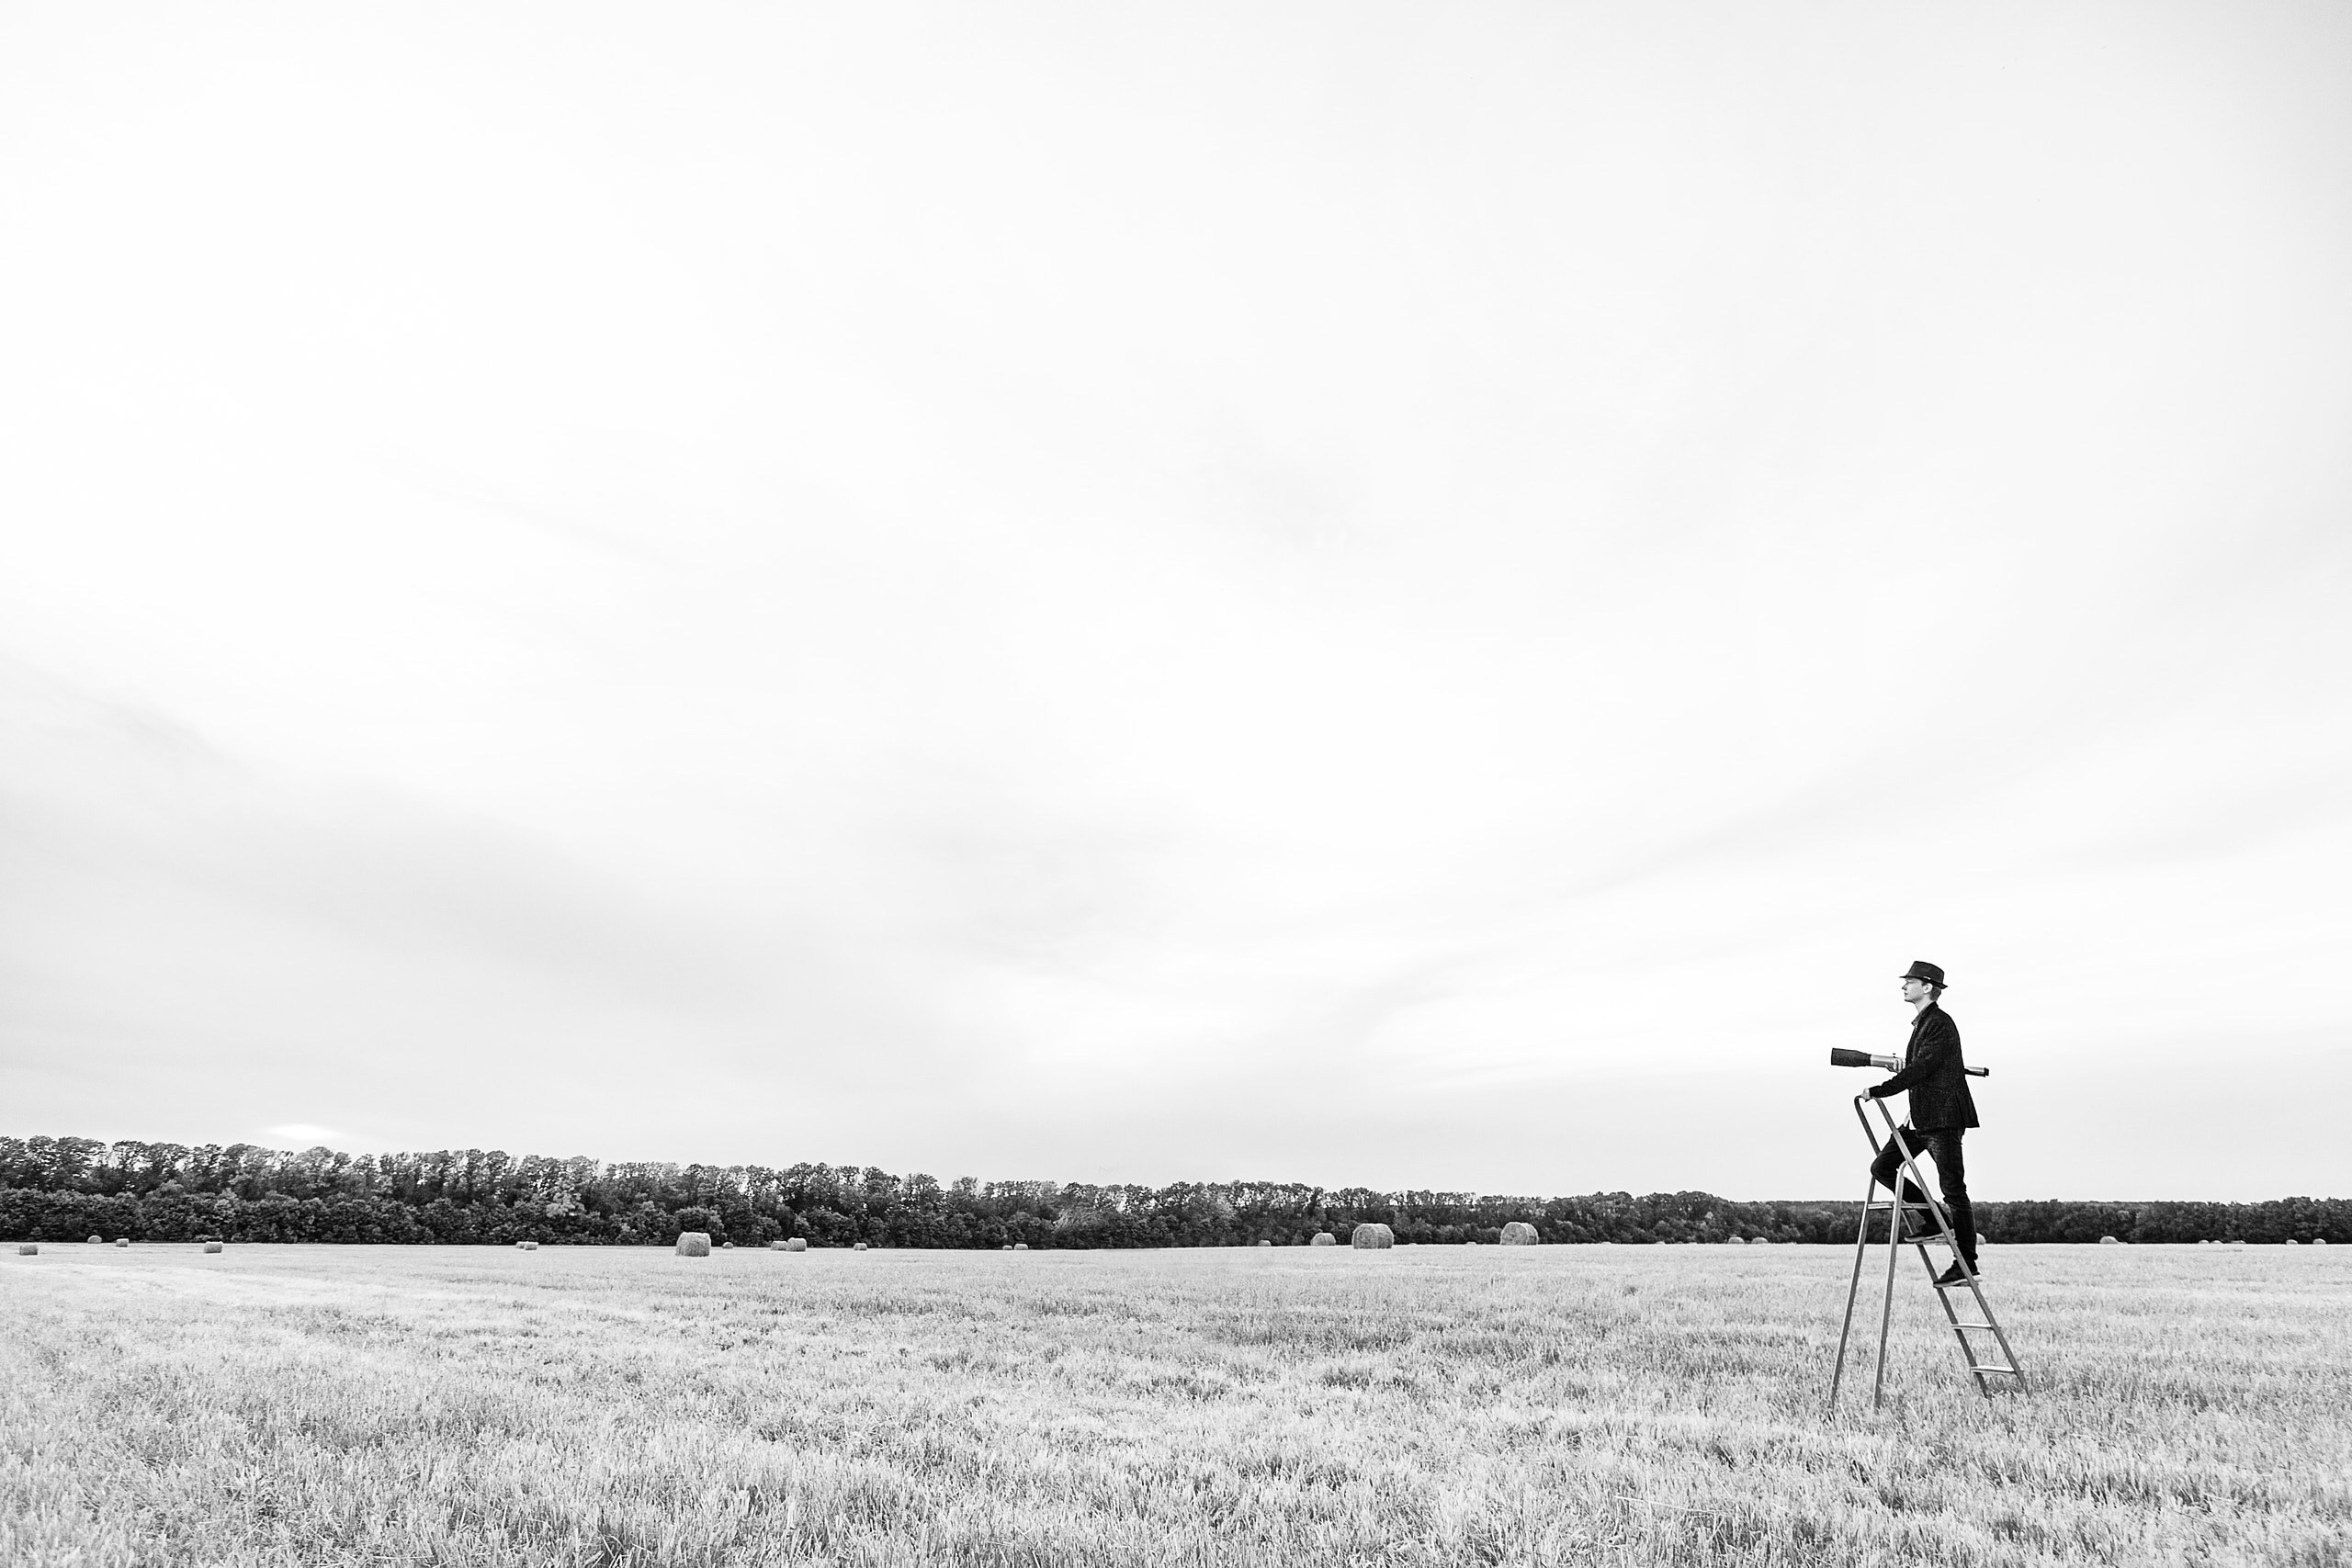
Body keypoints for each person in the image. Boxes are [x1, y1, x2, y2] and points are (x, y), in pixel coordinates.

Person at [1868, 960, 1980, 1286]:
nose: (1904, 986)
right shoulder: (1922, 1025)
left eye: (1910, 982)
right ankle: (1934, 1220)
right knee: (1882, 1168)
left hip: (1942, 1119)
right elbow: (1922, 1068)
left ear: (1927, 987)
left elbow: (1921, 1070)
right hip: (1920, 1119)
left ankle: (1967, 1265)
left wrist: (1880, 1090)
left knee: (1954, 1190)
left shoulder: (1940, 1024)